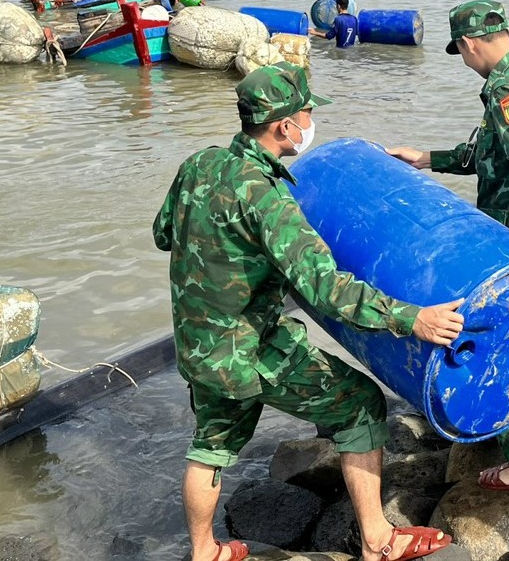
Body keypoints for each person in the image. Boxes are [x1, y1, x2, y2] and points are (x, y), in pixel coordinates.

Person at [153, 62, 459, 561]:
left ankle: (205, 551)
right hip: (250, 350)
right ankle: (378, 540)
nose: (311, 123)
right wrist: (413, 319)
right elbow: (326, 289)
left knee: (210, 445)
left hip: (198, 344)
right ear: (284, 126)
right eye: (307, 113)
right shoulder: (269, 199)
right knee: (361, 403)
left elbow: (163, 234)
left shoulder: (199, 164)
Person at [387, 0, 509, 495]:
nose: (463, 60)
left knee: (500, 348)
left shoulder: (506, 90)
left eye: (459, 51)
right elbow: (491, 152)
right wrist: (426, 158)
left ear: (469, 43)